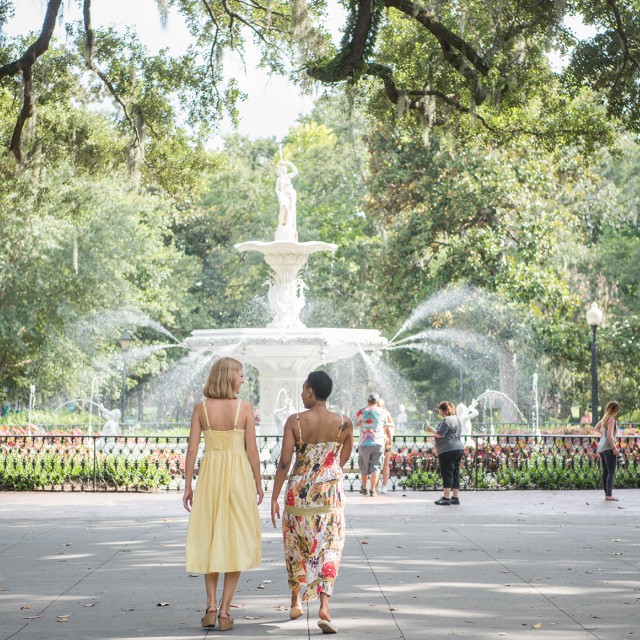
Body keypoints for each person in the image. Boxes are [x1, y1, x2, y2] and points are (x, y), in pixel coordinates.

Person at [183, 357, 263, 631]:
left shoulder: (201, 409)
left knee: (210, 535)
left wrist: (187, 486)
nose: (243, 380)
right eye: (240, 375)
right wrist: (259, 482)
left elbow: (192, 450)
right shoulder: (244, 409)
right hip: (238, 478)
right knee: (236, 538)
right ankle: (226, 612)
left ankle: (210, 606)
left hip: (210, 477)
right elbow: (252, 451)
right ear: (230, 377)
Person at [271, 370, 353, 634]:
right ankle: (324, 607)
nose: (301, 393)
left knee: (296, 544)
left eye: (303, 389)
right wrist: (329, 470)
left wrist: (273, 497)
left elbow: (284, 462)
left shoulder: (294, 421)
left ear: (309, 391)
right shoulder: (344, 423)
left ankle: (295, 600)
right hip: (329, 496)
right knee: (330, 547)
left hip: (298, 495)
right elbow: (344, 455)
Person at [426, 401, 464, 505]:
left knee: (447, 473)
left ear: (445, 411)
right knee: (455, 473)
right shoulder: (457, 419)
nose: (440, 414)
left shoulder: (447, 419)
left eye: (441, 412)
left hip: (447, 449)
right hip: (458, 448)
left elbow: (440, 434)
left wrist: (430, 430)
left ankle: (446, 498)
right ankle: (455, 497)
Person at [355, 392, 392, 497]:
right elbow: (386, 424)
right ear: (377, 402)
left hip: (364, 443)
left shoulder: (361, 412)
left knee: (364, 466)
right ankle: (372, 490)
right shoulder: (383, 412)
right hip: (378, 442)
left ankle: (364, 488)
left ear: (368, 401)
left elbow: (358, 423)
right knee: (376, 466)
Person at [596, 400, 622, 502]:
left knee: (605, 471)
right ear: (615, 410)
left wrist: (603, 435)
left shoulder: (605, 418)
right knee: (611, 472)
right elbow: (610, 435)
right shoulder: (611, 420)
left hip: (601, 447)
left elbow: (596, 428)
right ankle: (609, 495)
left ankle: (606, 493)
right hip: (608, 447)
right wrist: (614, 448)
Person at [378, 398, 396, 494]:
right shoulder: (374, 413)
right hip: (377, 441)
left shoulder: (385, 413)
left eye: (379, 405)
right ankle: (375, 486)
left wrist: (384, 423)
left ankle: (384, 486)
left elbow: (392, 424)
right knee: (375, 465)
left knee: (385, 464)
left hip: (387, 441)